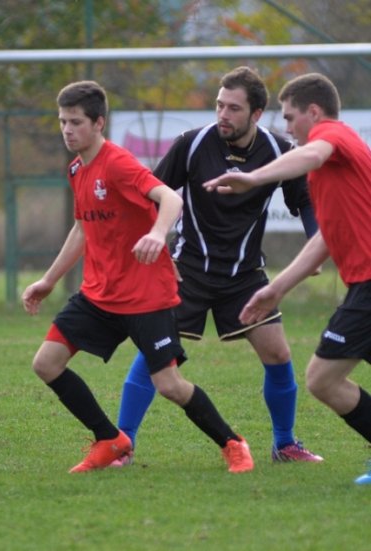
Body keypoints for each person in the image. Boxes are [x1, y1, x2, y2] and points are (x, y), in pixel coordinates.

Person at [22, 80, 253, 474]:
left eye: (75, 122)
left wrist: (157, 233)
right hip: (99, 294)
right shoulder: (77, 168)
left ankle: (232, 443)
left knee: (170, 386)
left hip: (147, 296)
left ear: (99, 123)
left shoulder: (118, 164)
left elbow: (172, 198)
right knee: (46, 363)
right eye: (62, 122)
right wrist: (48, 280)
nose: (67, 130)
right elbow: (82, 228)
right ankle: (110, 440)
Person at [112, 66, 323, 466]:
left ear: (256, 114)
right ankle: (123, 444)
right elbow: (151, 196)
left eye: (234, 108)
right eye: (219, 105)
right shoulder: (191, 145)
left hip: (244, 277)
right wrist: (152, 246)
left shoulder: (279, 152)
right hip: (186, 271)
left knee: (278, 354)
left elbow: (307, 201)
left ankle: (284, 444)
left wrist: (316, 241)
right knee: (156, 356)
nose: (223, 114)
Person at [203, 72, 371, 484]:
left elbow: (311, 154)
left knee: (323, 378)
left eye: (291, 116)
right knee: (324, 379)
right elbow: (325, 240)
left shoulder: (333, 137)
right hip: (364, 284)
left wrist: (255, 176)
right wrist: (276, 288)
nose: (286, 126)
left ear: (314, 112)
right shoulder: (327, 167)